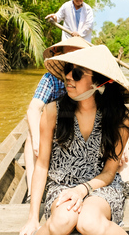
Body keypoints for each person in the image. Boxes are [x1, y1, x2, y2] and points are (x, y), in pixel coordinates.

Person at [20, 45, 129, 235]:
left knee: (88, 222)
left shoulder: (119, 118)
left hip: (101, 186)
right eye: (67, 70)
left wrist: (83, 190)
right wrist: (33, 218)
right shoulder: (53, 111)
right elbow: (41, 165)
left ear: (98, 81)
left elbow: (109, 172)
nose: (68, 77)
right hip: (62, 185)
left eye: (77, 73)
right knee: (63, 220)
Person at [25, 37, 92, 200]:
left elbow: (112, 111)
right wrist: (36, 138)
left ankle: (124, 183)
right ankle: (32, 191)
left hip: (84, 132)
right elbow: (34, 108)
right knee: (30, 135)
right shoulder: (51, 79)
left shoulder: (90, 77)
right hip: (58, 133)